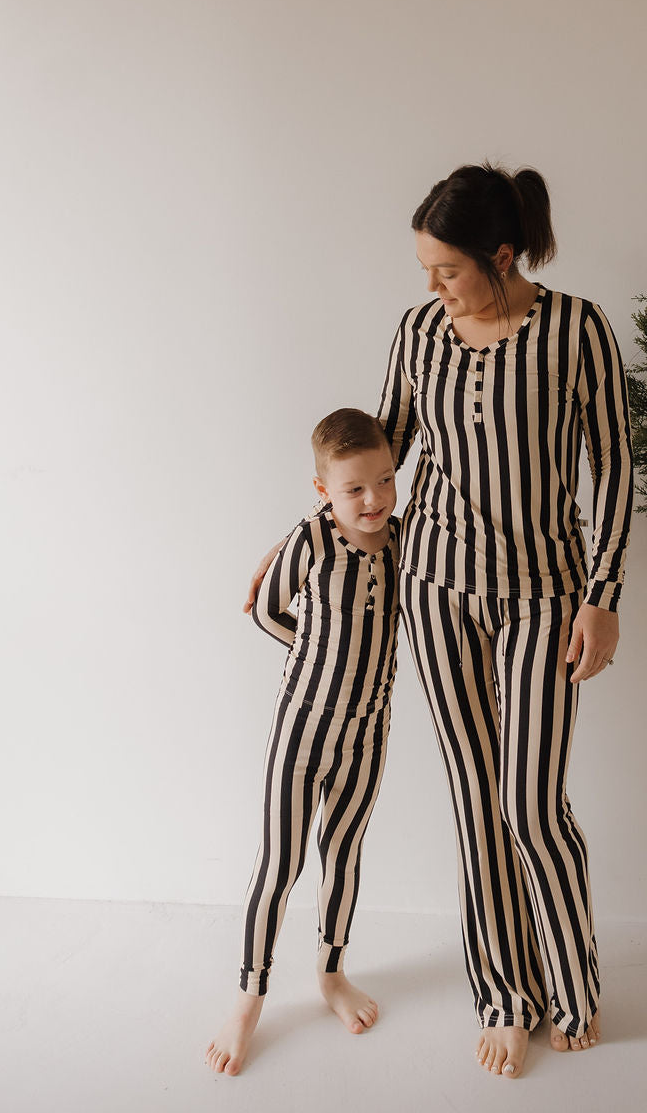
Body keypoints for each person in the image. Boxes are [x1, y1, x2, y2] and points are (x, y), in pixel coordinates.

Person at [377, 162, 633, 1079]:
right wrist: (305, 536)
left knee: (531, 804)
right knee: (475, 800)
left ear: (501, 253)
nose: (433, 286)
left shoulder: (577, 329)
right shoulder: (418, 332)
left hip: (545, 596)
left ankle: (573, 982)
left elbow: (616, 469)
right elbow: (382, 452)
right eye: (425, 270)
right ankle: (504, 996)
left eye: (446, 269)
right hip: (436, 588)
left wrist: (602, 598)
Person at [206, 408, 400, 1077]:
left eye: (384, 480)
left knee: (342, 855)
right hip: (303, 727)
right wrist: (317, 652)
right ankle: (248, 998)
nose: (372, 499)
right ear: (324, 491)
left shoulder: (405, 541)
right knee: (280, 864)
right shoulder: (313, 538)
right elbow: (265, 609)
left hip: (368, 729)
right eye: (354, 489)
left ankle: (331, 973)